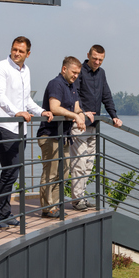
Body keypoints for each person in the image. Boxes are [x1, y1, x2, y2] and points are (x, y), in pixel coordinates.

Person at [0, 36, 53, 228]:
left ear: (28, 54)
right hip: (3, 126)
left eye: (21, 51)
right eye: (14, 49)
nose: (16, 53)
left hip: (20, 129)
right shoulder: (0, 67)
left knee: (12, 172)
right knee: (10, 171)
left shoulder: (26, 71)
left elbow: (26, 100)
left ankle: (5, 213)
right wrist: (16, 112)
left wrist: (41, 111)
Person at [70, 44, 123, 211]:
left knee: (88, 164)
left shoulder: (102, 73)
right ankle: (77, 200)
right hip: (79, 124)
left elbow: (106, 95)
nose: (97, 62)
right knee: (79, 162)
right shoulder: (80, 71)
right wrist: (82, 112)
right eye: (94, 58)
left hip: (94, 125)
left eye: (100, 59)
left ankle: (81, 197)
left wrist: (114, 116)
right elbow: (74, 95)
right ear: (88, 55)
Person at [37, 57, 88, 219]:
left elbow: (77, 107)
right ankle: (47, 208)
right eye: (73, 72)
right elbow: (54, 107)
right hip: (50, 135)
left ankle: (56, 205)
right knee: (51, 173)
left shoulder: (72, 87)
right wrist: (75, 116)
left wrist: (81, 115)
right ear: (64, 69)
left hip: (64, 136)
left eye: (78, 73)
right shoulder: (56, 84)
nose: (75, 76)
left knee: (63, 173)